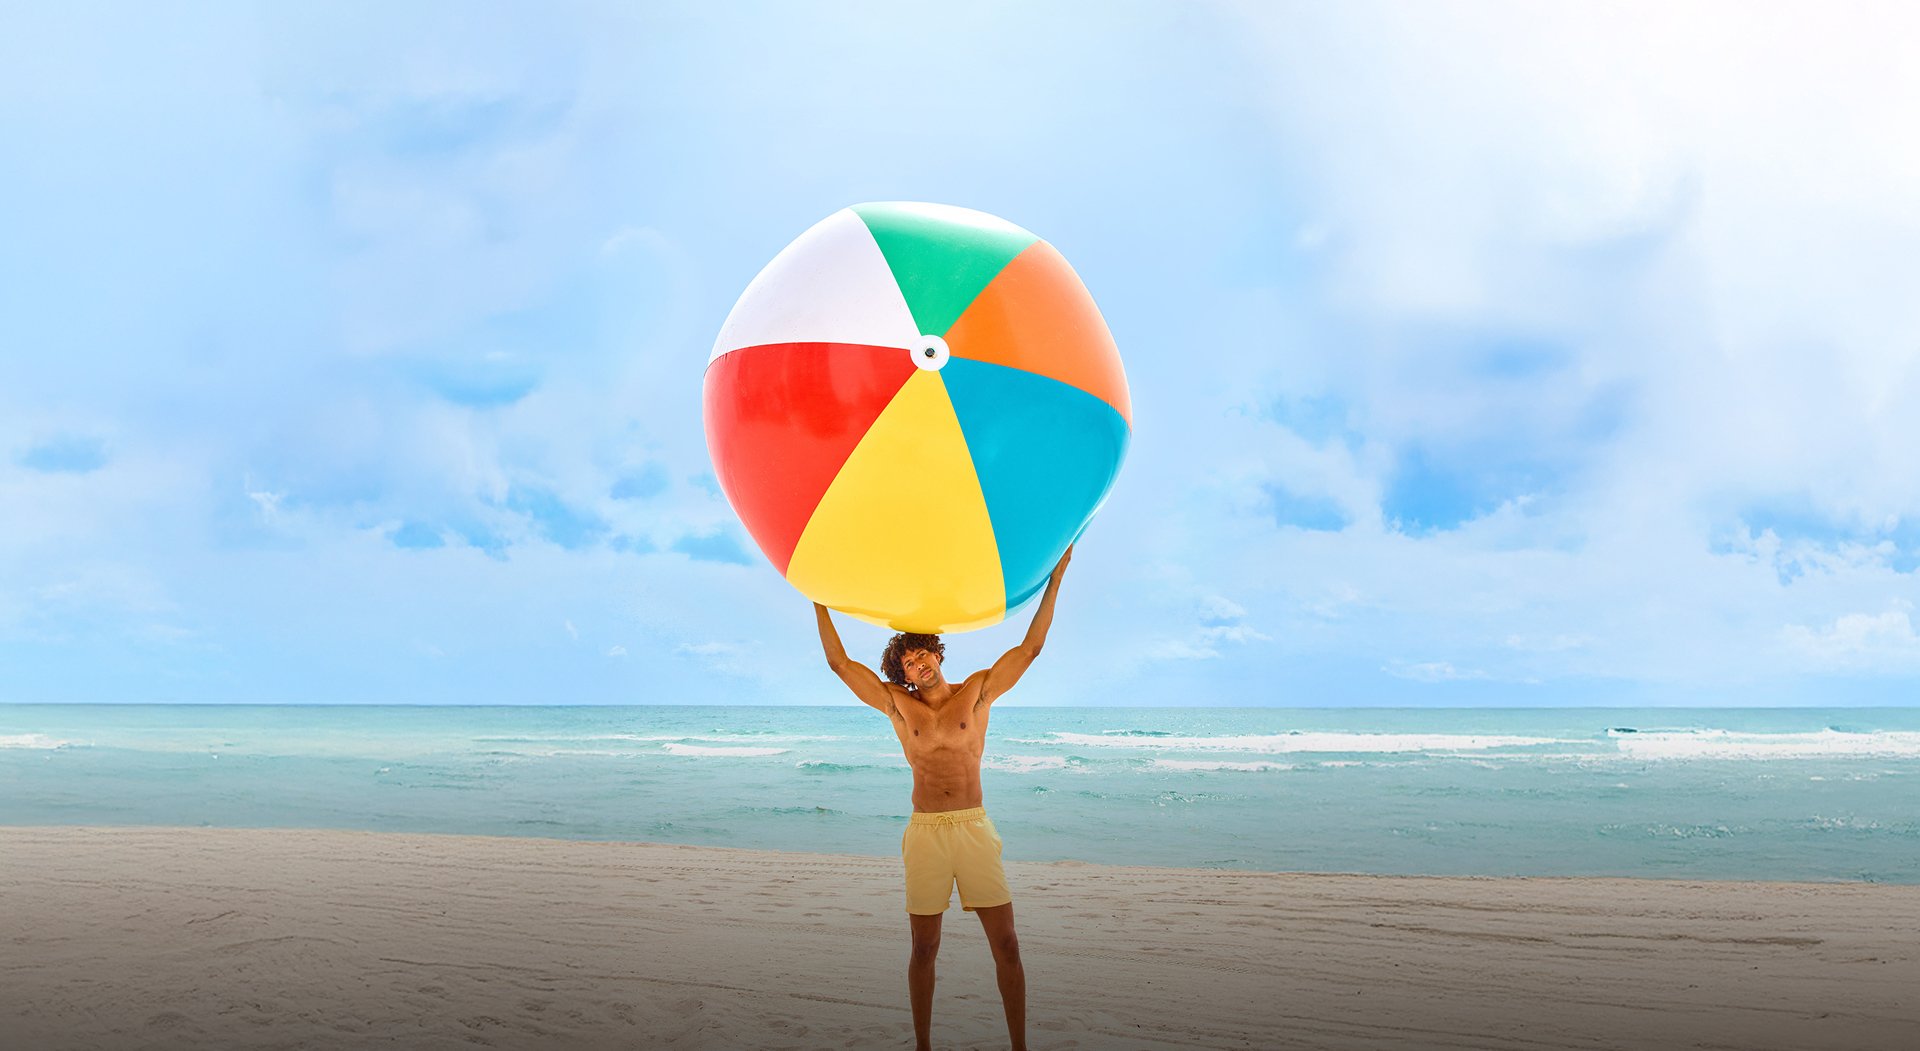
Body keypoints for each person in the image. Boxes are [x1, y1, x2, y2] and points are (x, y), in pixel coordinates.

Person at [813, 545, 1071, 1051]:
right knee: (924, 947)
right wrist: (817, 598)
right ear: (904, 675)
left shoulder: (978, 691)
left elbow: (1031, 648)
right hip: (926, 833)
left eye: (922, 654)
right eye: (908, 663)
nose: (918, 664)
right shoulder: (897, 705)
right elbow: (839, 663)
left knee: (1007, 944)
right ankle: (923, 1046)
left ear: (936, 651)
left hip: (973, 827)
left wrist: (1055, 578)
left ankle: (1020, 1046)